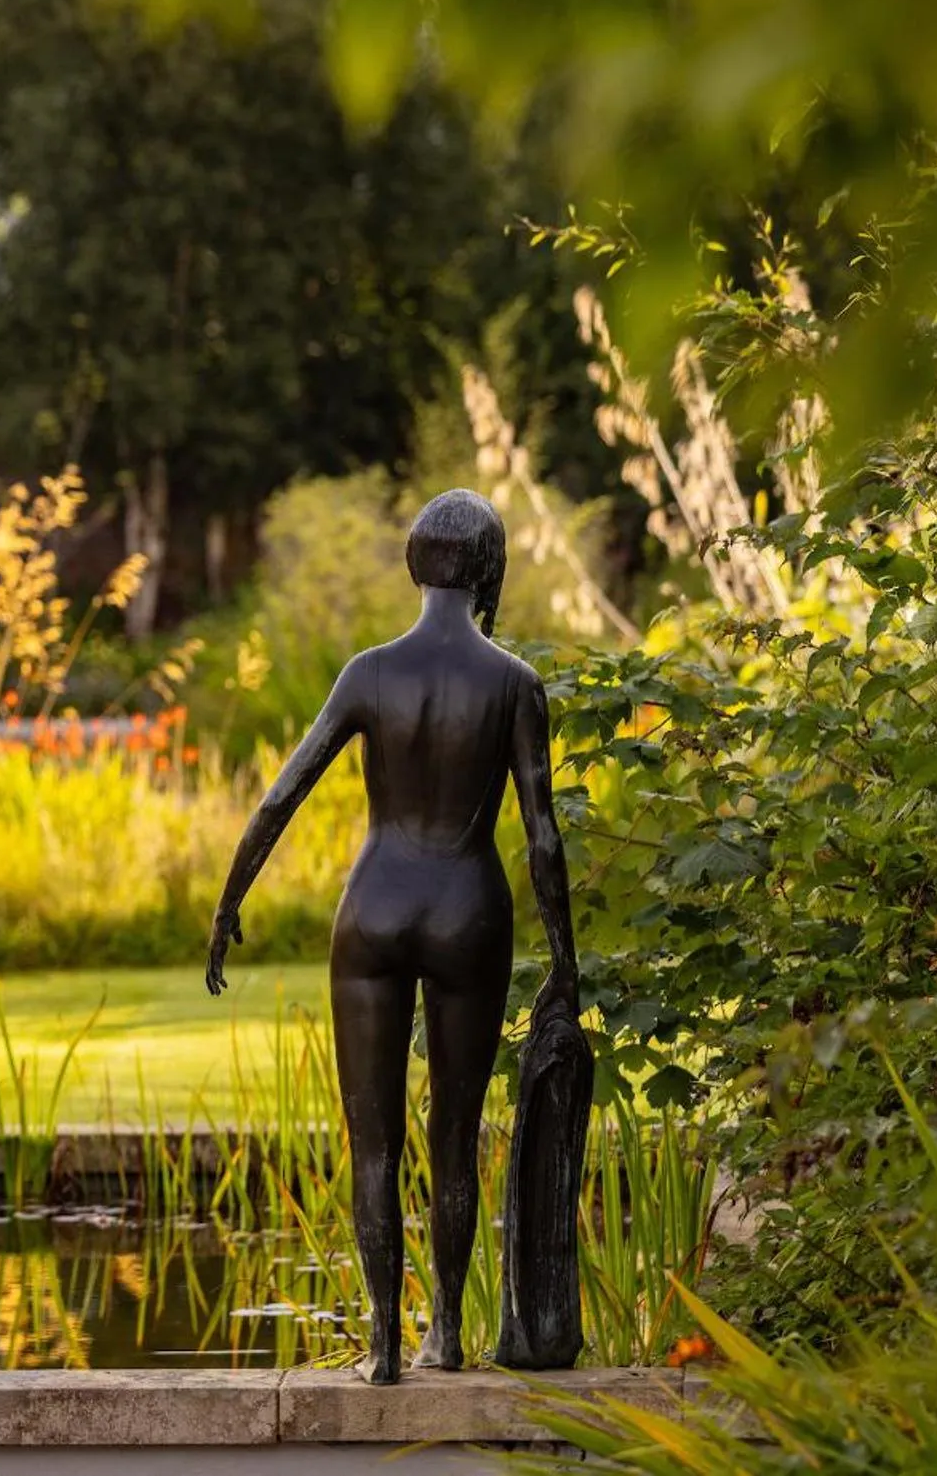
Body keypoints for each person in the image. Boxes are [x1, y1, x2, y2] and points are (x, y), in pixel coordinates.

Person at [206, 489, 580, 1385]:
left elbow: (278, 794)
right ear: (489, 569)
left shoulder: (367, 671)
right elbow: (541, 838)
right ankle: (443, 1332)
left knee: (370, 1139)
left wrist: (227, 906)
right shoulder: (514, 682)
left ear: (416, 564)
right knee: (451, 1134)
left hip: (371, 909)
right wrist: (565, 962)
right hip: (465, 910)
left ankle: (381, 1343)